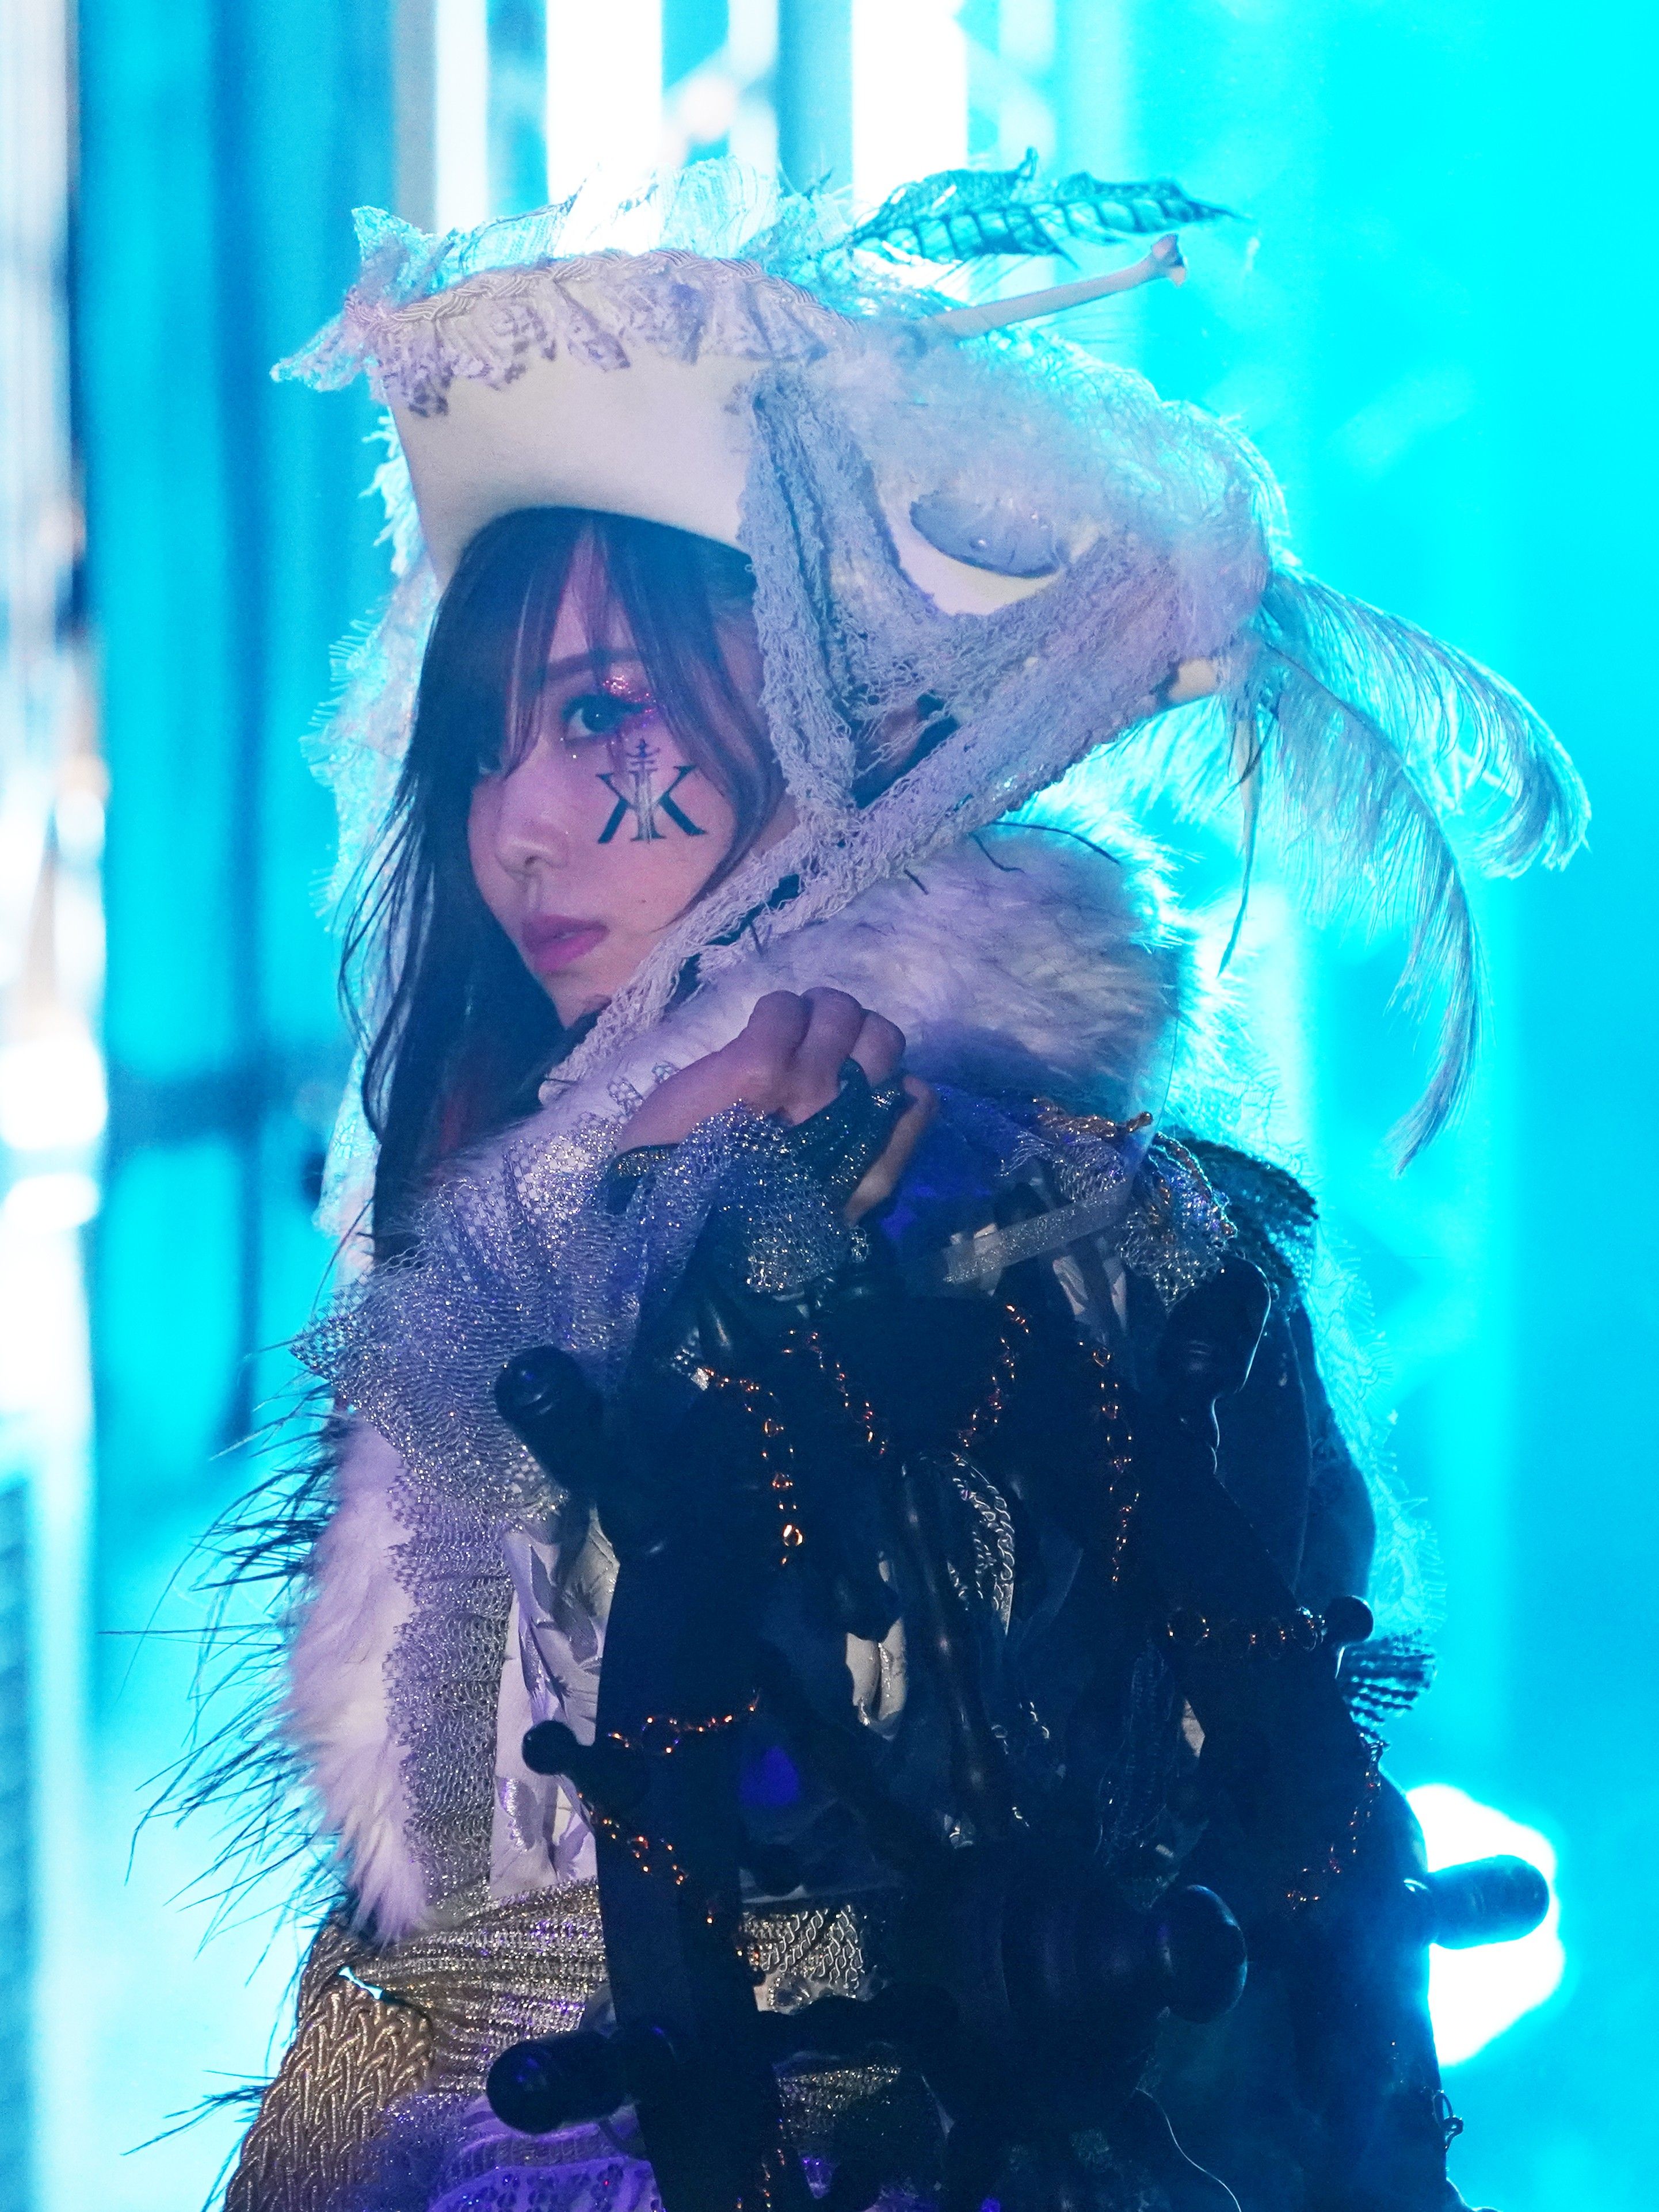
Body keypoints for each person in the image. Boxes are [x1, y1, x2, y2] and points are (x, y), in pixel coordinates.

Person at [200, 162, 1584, 2212]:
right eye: (483, 744)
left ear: (834, 710)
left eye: (600, 715)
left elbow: (660, 1836)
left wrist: (657, 1253)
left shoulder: (1022, 1223)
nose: (516, 827)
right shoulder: (588, 1195)